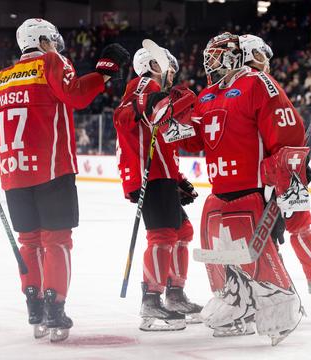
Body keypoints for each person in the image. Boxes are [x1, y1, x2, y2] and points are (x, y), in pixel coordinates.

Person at [0, 18, 130, 342]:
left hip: (15, 174)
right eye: (53, 41)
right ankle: (55, 307)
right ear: (44, 40)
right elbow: (74, 95)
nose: (57, 46)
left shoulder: (2, 79)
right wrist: (103, 74)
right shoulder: (51, 61)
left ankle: (34, 305)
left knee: (30, 242)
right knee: (57, 240)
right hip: (51, 169)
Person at [177, 32, 305, 344]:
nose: (209, 61)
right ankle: (234, 297)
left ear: (234, 55)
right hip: (220, 189)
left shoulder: (257, 83)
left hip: (252, 189)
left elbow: (288, 129)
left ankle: (278, 301)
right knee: (216, 246)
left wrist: (289, 176)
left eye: (215, 54)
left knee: (255, 250)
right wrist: (172, 117)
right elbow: (196, 137)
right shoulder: (208, 94)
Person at [238, 34, 311, 306]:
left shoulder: (238, 85)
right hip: (277, 170)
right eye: (263, 56)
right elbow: (281, 127)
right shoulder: (260, 83)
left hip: (260, 171)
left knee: (270, 232)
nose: (267, 62)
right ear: (254, 55)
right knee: (296, 224)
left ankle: (265, 289)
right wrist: (296, 160)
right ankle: (308, 282)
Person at [113, 44, 202, 331]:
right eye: (169, 67)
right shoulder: (143, 83)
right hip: (148, 176)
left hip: (161, 176)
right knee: (162, 236)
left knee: (183, 232)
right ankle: (151, 300)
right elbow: (137, 113)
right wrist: (162, 102)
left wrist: (176, 179)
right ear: (151, 64)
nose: (172, 73)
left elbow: (162, 136)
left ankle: (174, 294)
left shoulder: (155, 90)